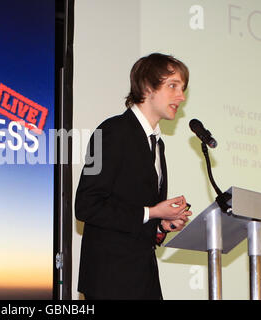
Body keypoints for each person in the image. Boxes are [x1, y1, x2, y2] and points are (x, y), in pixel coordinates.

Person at [75, 52, 193, 300]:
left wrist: (162, 225)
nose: (181, 96)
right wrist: (152, 212)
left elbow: (134, 216)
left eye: (182, 88)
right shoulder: (111, 131)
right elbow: (86, 206)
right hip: (111, 280)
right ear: (148, 87)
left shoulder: (157, 144)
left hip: (143, 278)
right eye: (173, 86)